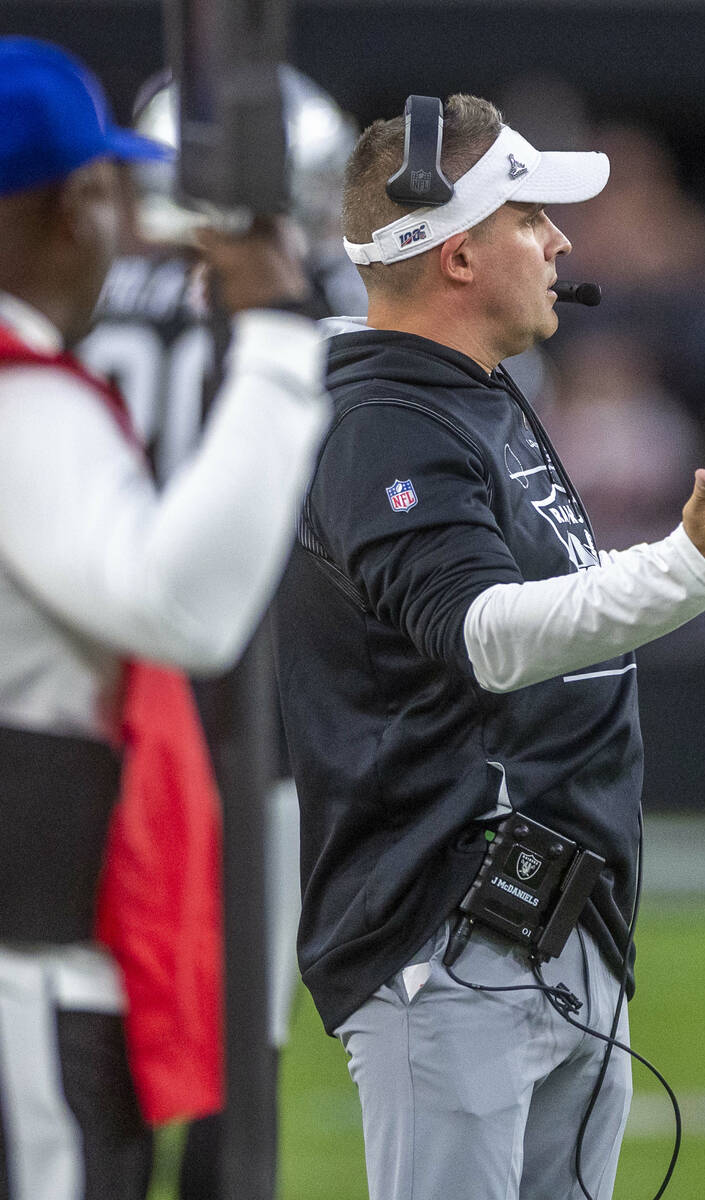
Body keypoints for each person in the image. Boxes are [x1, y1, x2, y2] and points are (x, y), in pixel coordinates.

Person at [272, 93, 705, 1200]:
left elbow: (545, 610)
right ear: (457, 253)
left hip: (558, 922)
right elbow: (482, 634)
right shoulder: (381, 423)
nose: (561, 242)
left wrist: (680, 587)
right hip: (454, 935)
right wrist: (683, 570)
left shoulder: (476, 398)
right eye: (531, 218)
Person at [0, 36, 331, 1200]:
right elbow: (183, 608)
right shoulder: (24, 399)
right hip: (36, 951)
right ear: (72, 202)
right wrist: (283, 337)